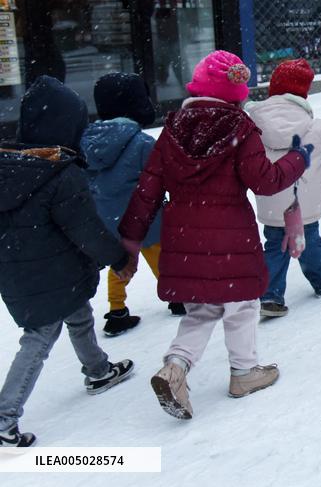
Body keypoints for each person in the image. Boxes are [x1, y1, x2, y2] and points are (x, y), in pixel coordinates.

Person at [118, 51, 310, 420]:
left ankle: (175, 366)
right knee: (241, 305)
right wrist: (298, 158)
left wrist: (130, 242)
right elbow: (265, 181)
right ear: (236, 93)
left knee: (202, 309)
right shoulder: (240, 127)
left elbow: (148, 191)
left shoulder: (171, 129)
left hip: (185, 237)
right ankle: (244, 371)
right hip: (230, 238)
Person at [0, 76, 136, 447]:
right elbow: (87, 230)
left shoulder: (9, 163)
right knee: (40, 337)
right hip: (50, 270)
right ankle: (4, 416)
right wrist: (120, 258)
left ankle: (98, 370)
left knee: (77, 311)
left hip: (18, 270)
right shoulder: (61, 173)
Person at [247, 59, 321, 318]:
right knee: (309, 243)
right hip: (303, 205)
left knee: (275, 246)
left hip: (270, 202)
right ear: (303, 93)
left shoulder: (253, 126)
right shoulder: (316, 127)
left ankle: (270, 296)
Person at [80, 73, 183, 337]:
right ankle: (176, 297)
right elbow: (160, 178)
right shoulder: (142, 144)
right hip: (145, 219)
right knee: (160, 257)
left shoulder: (87, 144)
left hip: (110, 221)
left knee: (120, 263)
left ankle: (117, 310)